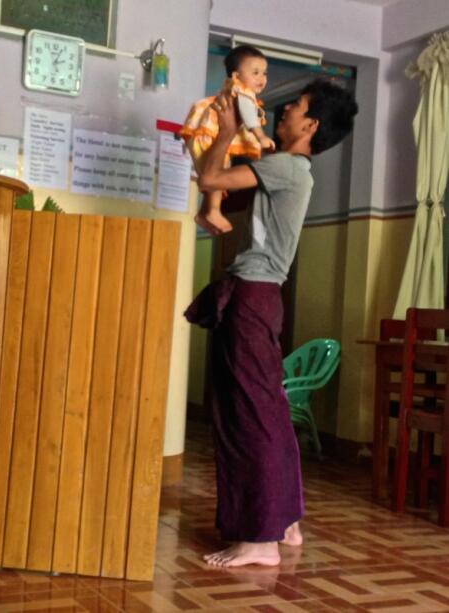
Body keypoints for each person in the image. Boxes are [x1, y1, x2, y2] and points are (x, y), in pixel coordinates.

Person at [184, 78, 358, 568]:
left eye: (296, 106)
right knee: (269, 413)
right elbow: (214, 180)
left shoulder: (284, 166)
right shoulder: (292, 170)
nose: (284, 110)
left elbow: (211, 179)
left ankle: (259, 542)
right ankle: (285, 521)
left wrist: (226, 130)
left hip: (253, 297)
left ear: (310, 125)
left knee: (248, 417)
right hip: (260, 297)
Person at [180, 45, 275, 236]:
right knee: (217, 174)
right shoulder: (242, 92)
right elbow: (249, 115)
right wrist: (261, 136)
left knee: (216, 173)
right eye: (255, 72)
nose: (261, 78)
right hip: (208, 136)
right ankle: (212, 211)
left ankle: (205, 212)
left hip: (206, 135)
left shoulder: (235, 91)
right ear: (236, 76)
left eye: (264, 73)